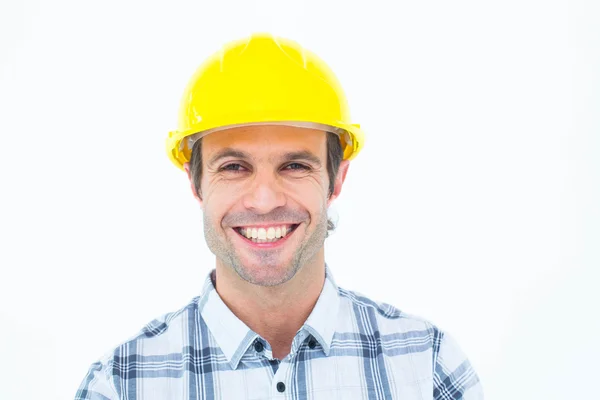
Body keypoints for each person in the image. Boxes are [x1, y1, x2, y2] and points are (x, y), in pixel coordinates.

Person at [75, 32, 484, 399]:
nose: (265, 200)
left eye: (295, 166)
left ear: (336, 179)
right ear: (196, 182)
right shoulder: (122, 385)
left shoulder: (428, 368)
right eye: (234, 167)